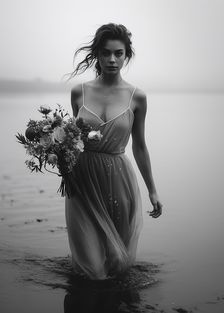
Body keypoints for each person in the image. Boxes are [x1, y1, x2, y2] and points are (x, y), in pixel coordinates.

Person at [64, 23, 163, 280]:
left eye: (118, 53)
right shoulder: (79, 92)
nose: (112, 59)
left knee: (117, 262)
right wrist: (65, 167)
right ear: (97, 54)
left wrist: (152, 189)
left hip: (119, 181)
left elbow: (139, 146)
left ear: (126, 55)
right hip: (82, 182)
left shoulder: (136, 97)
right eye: (106, 53)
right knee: (92, 269)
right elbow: (73, 140)